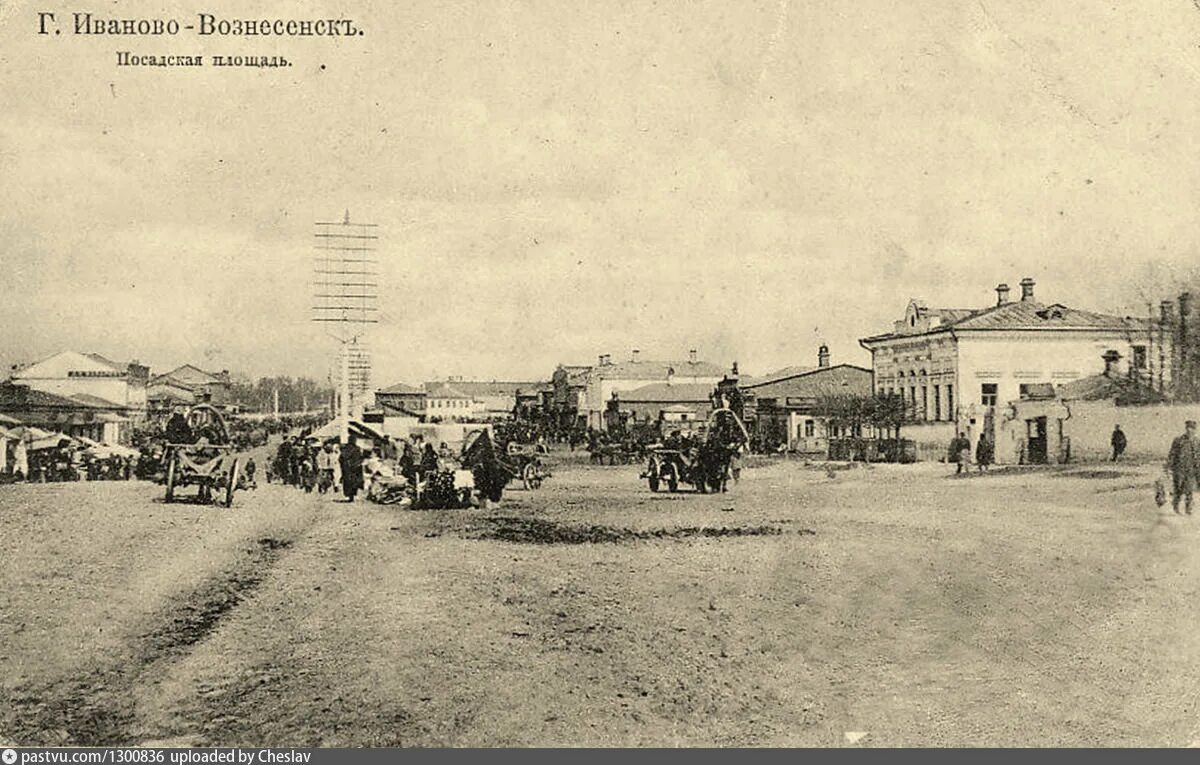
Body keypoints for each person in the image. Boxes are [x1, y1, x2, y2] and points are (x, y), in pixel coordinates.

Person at [1167, 421, 1200, 516]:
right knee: (1178, 489)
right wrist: (1169, 467)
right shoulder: (1179, 440)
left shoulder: (1197, 442)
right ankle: (1175, 507)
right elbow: (1172, 454)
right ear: (1186, 429)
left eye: (1192, 428)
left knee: (1189, 490)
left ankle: (1188, 510)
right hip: (1179, 469)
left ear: (1195, 430)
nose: (1190, 430)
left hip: (1191, 470)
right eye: (1188, 428)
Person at [339, 437, 364, 502]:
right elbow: (360, 458)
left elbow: (341, 458)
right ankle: (352, 496)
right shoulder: (357, 448)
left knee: (348, 482)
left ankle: (349, 496)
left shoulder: (345, 448)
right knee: (354, 482)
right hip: (354, 468)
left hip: (347, 468)